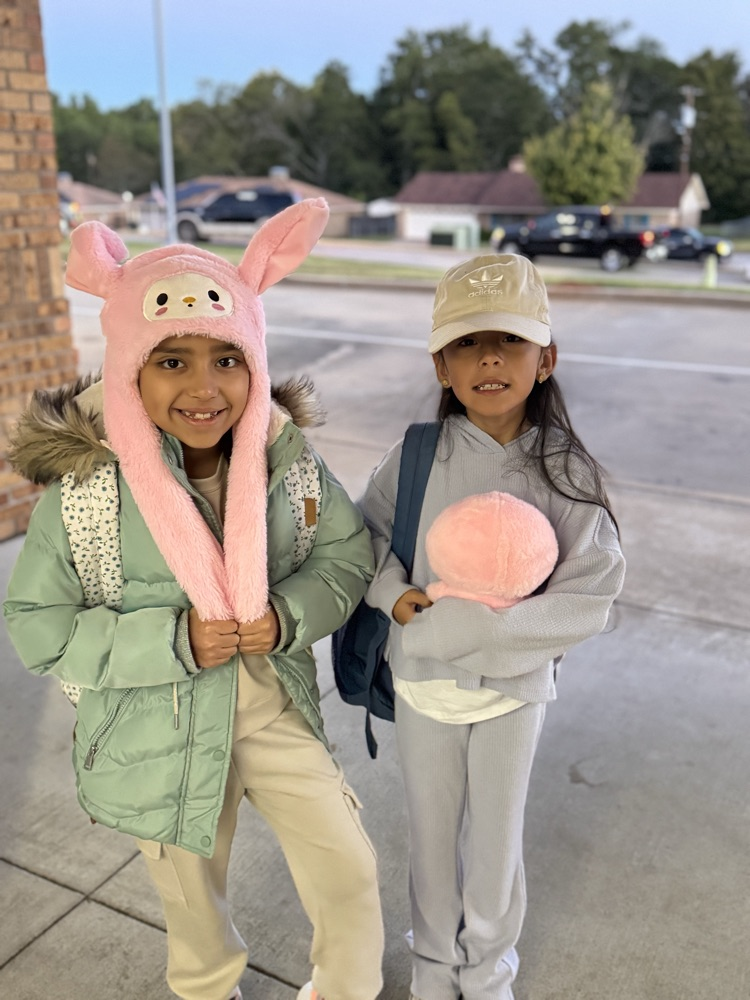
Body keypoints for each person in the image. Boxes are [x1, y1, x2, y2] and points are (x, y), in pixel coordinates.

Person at [3, 200, 384, 1000]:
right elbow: (38, 626)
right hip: (155, 724)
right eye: (172, 361)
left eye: (227, 358)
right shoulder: (85, 488)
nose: (205, 388)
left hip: (269, 705)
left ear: (255, 357)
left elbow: (345, 551)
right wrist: (173, 639)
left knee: (347, 867)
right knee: (193, 913)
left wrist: (289, 616)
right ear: (128, 366)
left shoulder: (287, 461)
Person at [357, 253, 626, 1000]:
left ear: (546, 359)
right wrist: (394, 597)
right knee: (433, 835)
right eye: (468, 344)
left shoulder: (564, 467)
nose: (488, 360)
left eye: (508, 341)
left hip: (513, 695)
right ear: (442, 365)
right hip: (424, 686)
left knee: (496, 839)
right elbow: (363, 538)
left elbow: (592, 590)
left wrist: (489, 636)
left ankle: (488, 971)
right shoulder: (415, 455)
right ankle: (435, 967)